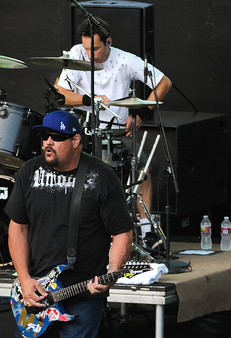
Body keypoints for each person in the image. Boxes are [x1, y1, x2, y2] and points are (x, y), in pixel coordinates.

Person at [4, 111, 133, 338]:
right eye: (44, 136)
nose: (48, 142)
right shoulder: (30, 173)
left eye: (56, 137)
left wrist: (112, 273)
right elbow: (17, 228)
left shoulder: (101, 178)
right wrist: (24, 278)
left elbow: (122, 233)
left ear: (76, 141)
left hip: (81, 292)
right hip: (36, 289)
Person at [55, 17, 173, 238]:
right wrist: (89, 100)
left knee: (142, 169)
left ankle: (147, 233)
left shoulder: (125, 60)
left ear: (108, 42)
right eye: (86, 48)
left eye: (96, 49)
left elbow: (164, 82)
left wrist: (140, 114)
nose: (90, 55)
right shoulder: (76, 54)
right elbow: (60, 94)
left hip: (118, 131)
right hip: (82, 130)